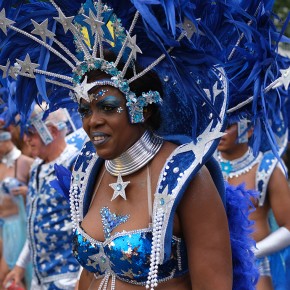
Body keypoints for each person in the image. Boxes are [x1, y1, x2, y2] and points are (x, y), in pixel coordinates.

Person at [0, 0, 263, 289]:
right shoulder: (88, 169)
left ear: (144, 108)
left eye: (108, 107)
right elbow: (88, 275)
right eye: (85, 110)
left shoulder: (184, 177)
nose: (92, 122)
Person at [3, 104, 81, 290]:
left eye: (30, 131)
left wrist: (80, 278)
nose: (25, 139)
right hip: (40, 280)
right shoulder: (37, 167)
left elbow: (88, 226)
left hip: (68, 279)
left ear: (52, 131)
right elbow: (34, 225)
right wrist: (21, 266)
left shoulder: (74, 164)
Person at [216, 120, 290, 290]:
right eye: (217, 125)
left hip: (257, 266)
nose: (219, 133)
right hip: (215, 264)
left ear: (248, 129)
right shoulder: (205, 168)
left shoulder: (267, 168)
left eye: (227, 126)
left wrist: (251, 252)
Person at [0, 124, 33, 289]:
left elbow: (41, 192)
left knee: (18, 277)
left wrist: (27, 191)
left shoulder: (26, 162)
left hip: (22, 228)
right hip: (4, 230)